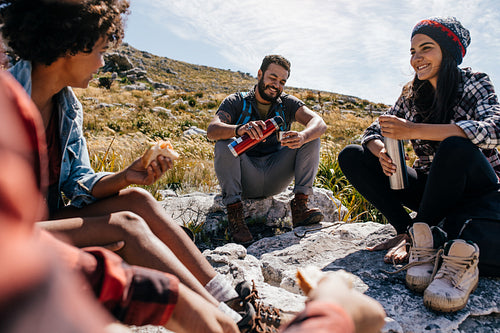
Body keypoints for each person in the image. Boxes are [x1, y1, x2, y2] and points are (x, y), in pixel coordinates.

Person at [0, 0, 246, 324]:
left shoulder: (68, 108)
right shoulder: (7, 101)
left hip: (46, 221)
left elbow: (79, 182)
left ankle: (229, 299)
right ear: (72, 44)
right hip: (13, 237)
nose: (102, 63)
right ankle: (225, 322)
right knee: (124, 226)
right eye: (101, 50)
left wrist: (127, 176)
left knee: (137, 200)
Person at [338, 17, 498, 311]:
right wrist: (380, 151)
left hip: (477, 190)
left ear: (448, 52)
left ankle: (420, 234)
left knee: (455, 146)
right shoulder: (412, 93)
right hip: (433, 191)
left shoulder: (474, 83)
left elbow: (493, 130)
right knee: (352, 155)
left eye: (426, 48)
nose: (416, 58)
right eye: (412, 51)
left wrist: (412, 130)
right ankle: (409, 231)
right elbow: (374, 130)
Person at [207, 55, 327, 244]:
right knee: (224, 143)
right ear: (260, 74)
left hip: (276, 176)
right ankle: (235, 216)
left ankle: (300, 207)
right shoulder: (236, 101)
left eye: (282, 82)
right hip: (245, 178)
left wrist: (302, 136)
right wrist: (238, 129)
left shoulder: (287, 103)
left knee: (311, 138)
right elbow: (212, 130)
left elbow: (319, 123)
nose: (276, 85)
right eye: (272, 78)